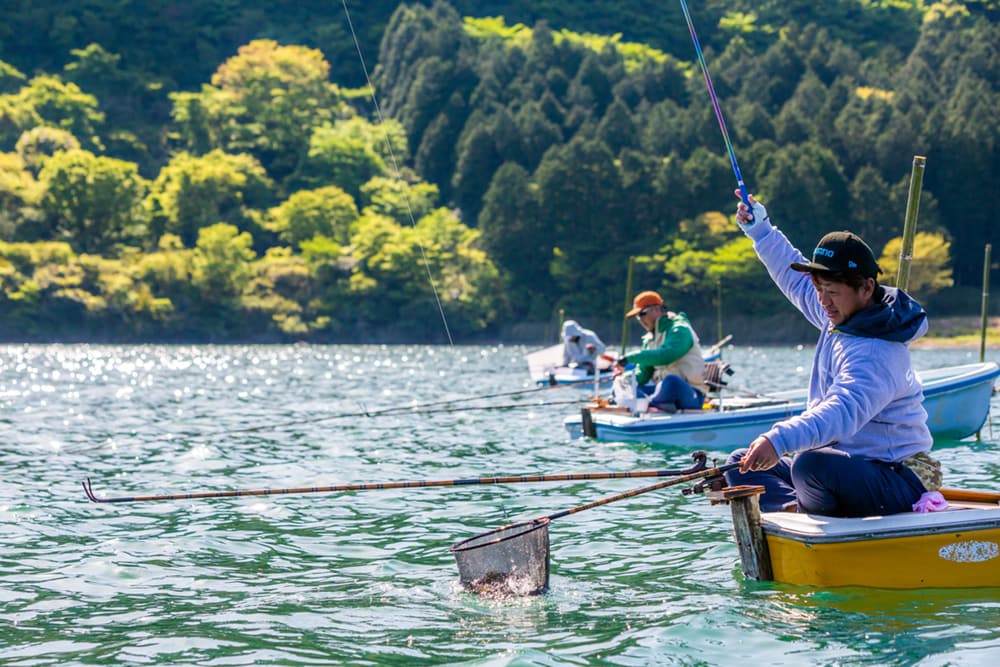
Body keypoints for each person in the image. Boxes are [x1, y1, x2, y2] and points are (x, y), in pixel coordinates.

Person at [725, 191, 941, 518]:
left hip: (897, 476)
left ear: (866, 288)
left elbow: (841, 412)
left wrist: (778, 439)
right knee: (739, 464)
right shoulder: (839, 313)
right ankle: (794, 515)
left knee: (812, 465)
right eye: (820, 290)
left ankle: (806, 517)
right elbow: (794, 281)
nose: (823, 301)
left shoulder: (878, 350)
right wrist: (761, 230)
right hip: (847, 470)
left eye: (833, 292)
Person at [614, 291, 707, 412]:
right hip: (662, 393)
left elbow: (666, 355)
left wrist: (629, 357)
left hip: (691, 394)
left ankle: (649, 405)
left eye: (642, 314)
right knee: (623, 384)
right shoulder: (649, 339)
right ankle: (645, 405)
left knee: (671, 381)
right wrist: (624, 379)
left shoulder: (679, 329)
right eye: (638, 317)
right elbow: (643, 375)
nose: (640, 320)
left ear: (657, 310)